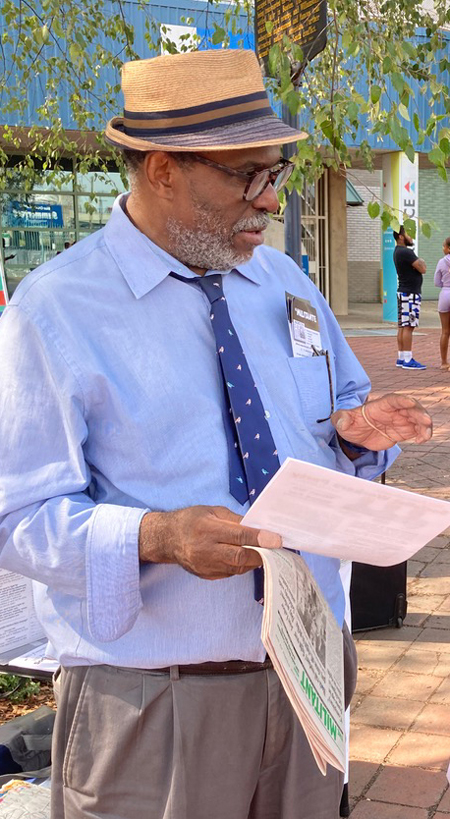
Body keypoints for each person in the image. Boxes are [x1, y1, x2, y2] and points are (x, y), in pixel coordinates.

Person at [0, 50, 433, 819]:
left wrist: (362, 435)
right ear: (163, 168)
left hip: (310, 672)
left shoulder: (287, 283)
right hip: (156, 704)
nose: (270, 201)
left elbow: (339, 409)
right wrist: (158, 535)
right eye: (248, 176)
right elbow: (17, 519)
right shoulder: (54, 312)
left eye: (276, 173)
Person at [393, 225, 427, 370]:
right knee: (409, 326)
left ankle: (401, 357)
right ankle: (408, 359)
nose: (411, 236)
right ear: (401, 236)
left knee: (402, 325)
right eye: (408, 233)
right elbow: (423, 268)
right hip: (410, 293)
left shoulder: (397, 252)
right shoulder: (406, 252)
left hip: (403, 292)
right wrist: (420, 261)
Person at [433, 237, 450, 369]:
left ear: (448, 248)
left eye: (443, 246)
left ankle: (444, 363)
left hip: (445, 294)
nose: (442, 248)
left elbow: (436, 282)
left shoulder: (441, 262)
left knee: (445, 331)